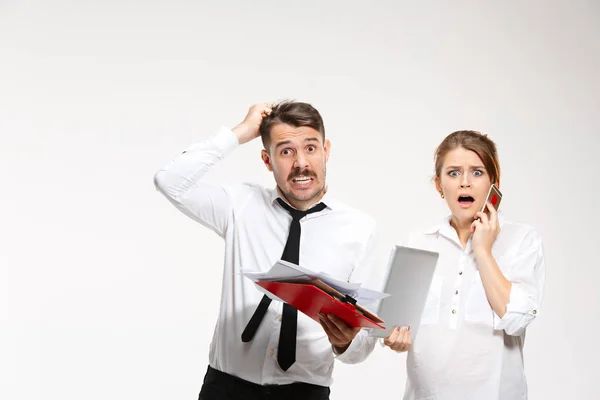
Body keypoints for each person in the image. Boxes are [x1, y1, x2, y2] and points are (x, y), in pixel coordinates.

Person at [154, 101, 379, 400]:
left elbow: (362, 347)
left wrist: (346, 342)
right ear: (267, 160)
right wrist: (239, 133)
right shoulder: (241, 205)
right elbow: (169, 181)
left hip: (304, 394)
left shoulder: (360, 229)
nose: (301, 163)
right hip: (225, 389)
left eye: (310, 148)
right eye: (286, 151)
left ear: (326, 151)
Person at [383, 130, 546, 399]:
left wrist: (482, 250)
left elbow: (516, 320)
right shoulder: (418, 242)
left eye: (478, 172)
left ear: (494, 182)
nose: (465, 183)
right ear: (438, 185)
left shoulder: (522, 239)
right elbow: (395, 325)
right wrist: (395, 337)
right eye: (454, 173)